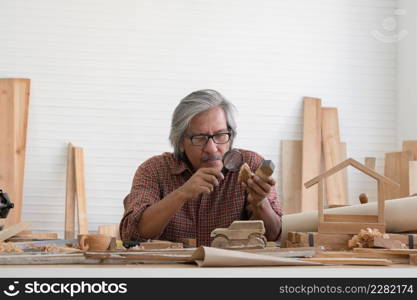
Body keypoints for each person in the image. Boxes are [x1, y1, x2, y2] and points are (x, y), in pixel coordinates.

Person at [119, 89, 282, 246]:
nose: (212, 148)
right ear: (181, 142)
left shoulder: (252, 165)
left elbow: (275, 236)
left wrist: (260, 203)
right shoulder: (153, 170)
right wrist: (182, 194)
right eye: (199, 138)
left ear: (230, 136)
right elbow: (132, 234)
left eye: (220, 135)